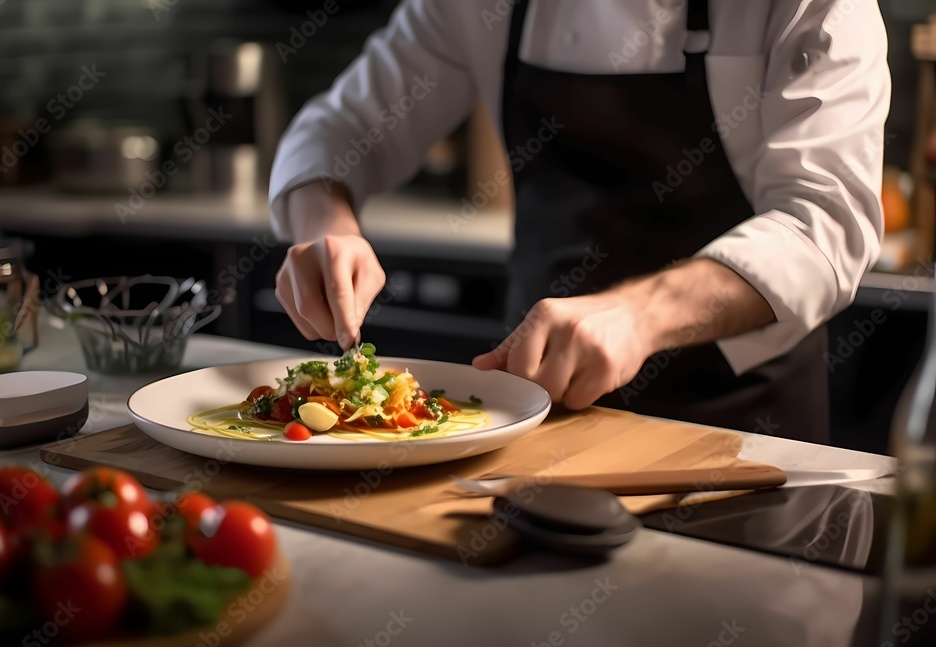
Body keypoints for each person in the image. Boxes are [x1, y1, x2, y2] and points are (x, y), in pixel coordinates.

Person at [267, 0, 891, 444]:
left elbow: (824, 220)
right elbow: (339, 130)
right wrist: (328, 227)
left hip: (739, 431)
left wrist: (639, 316)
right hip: (536, 411)